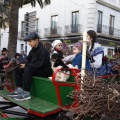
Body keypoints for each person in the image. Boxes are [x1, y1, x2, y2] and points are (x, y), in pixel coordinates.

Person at [7, 32, 53, 101]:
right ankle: (19, 89)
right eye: (28, 41)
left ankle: (26, 92)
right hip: (36, 69)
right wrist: (20, 63)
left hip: (45, 71)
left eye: (30, 41)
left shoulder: (43, 50)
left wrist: (26, 65)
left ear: (36, 40)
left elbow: (39, 64)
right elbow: (27, 59)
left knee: (28, 69)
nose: (29, 43)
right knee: (18, 69)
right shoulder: (33, 50)